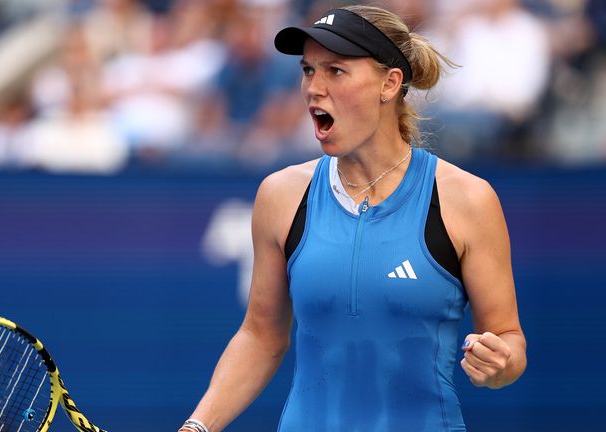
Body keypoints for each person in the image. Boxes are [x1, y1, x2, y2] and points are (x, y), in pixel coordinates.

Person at [178, 5, 526, 432]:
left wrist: (501, 363)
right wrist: (198, 426)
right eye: (308, 71)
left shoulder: (467, 200)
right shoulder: (281, 195)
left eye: (335, 71)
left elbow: (508, 338)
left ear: (389, 84)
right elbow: (260, 337)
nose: (313, 88)